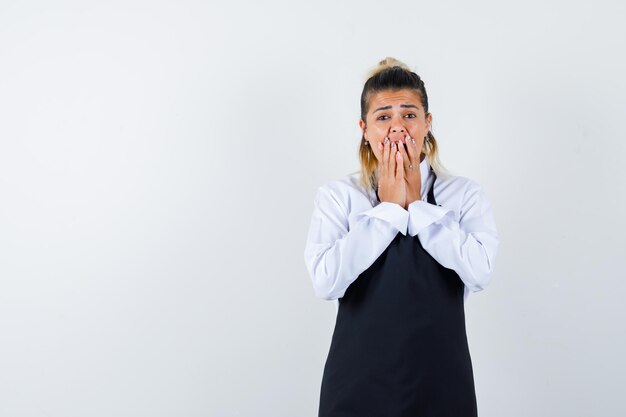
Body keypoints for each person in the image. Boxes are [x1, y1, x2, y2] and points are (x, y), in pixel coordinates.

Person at [303, 57, 500, 416]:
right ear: (364, 129)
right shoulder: (339, 196)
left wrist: (417, 206)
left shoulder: (464, 195)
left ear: (427, 123)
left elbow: (480, 271)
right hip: (356, 385)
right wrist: (388, 211)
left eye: (409, 115)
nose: (397, 129)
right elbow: (325, 281)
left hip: (442, 383)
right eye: (383, 117)